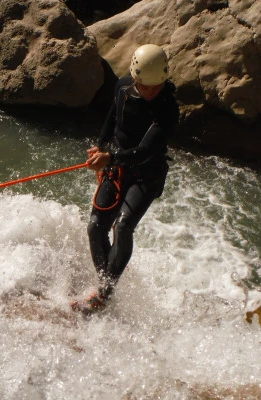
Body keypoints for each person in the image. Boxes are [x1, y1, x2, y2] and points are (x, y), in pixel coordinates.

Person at [71, 44, 180, 314]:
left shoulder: (168, 108)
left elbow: (144, 151)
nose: (152, 91)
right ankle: (105, 285)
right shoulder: (122, 87)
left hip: (147, 175)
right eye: (146, 86)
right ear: (136, 77)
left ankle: (104, 296)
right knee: (96, 227)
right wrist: (101, 145)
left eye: (157, 86)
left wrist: (111, 159)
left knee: (122, 228)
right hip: (118, 167)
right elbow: (112, 116)